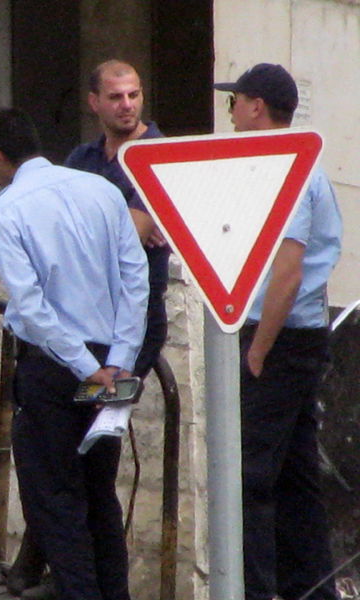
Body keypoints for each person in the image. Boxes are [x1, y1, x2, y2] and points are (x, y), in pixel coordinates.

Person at [8, 59, 170, 600]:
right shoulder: (81, 161)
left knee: (76, 482)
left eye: (135, 95)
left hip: (122, 343)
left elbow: (138, 238)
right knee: (75, 480)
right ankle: (47, 571)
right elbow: (119, 236)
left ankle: (73, 583)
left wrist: (114, 362)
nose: (128, 105)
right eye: (117, 96)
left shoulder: (156, 158)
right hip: (94, 349)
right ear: (94, 102)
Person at [0, 107, 148, 600]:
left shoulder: (7, 210)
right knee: (99, 497)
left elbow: (32, 307)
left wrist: (90, 368)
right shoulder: (101, 189)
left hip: (56, 366)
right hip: (109, 360)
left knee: (56, 500)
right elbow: (136, 280)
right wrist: (117, 360)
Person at [214, 63, 342, 600]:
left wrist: (258, 352)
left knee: (249, 480)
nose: (233, 117)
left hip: (279, 338)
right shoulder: (291, 165)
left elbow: (286, 273)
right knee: (294, 480)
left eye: (235, 104)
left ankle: (257, 590)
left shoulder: (288, 169)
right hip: (294, 336)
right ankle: (311, 591)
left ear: (255, 106)